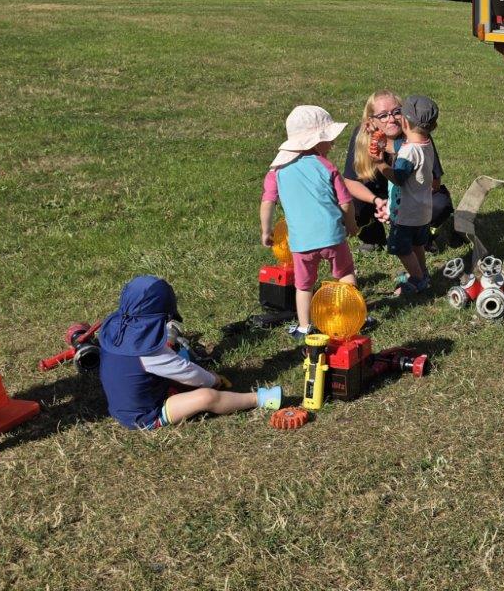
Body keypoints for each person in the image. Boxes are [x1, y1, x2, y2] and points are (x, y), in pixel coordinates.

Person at [99, 275, 282, 430]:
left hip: (123, 405)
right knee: (206, 397)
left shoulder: (116, 331)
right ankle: (259, 399)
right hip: (145, 415)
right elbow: (189, 373)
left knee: (177, 363)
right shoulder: (150, 354)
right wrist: (213, 379)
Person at [260, 105, 359, 338]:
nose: (332, 143)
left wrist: (266, 230)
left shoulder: (277, 171)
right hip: (333, 236)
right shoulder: (326, 166)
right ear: (314, 142)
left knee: (303, 286)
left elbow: (267, 202)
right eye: (328, 140)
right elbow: (346, 203)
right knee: (345, 273)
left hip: (301, 242)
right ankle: (349, 315)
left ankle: (304, 327)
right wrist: (351, 224)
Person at [342, 90, 457, 254]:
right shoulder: (362, 136)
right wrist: (377, 201)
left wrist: (398, 207)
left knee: (440, 204)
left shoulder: (417, 135)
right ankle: (372, 236)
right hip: (378, 194)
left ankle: (422, 237)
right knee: (350, 202)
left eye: (397, 112)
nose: (391, 119)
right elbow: (350, 181)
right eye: (383, 115)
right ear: (371, 120)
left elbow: (434, 183)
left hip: (412, 195)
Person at [371, 95, 440, 295]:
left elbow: (398, 178)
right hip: (422, 211)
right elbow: (399, 146)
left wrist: (380, 163)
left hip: (406, 214)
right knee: (417, 244)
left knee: (400, 247)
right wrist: (380, 142)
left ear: (405, 122)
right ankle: (422, 272)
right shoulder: (425, 143)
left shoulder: (408, 153)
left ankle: (417, 279)